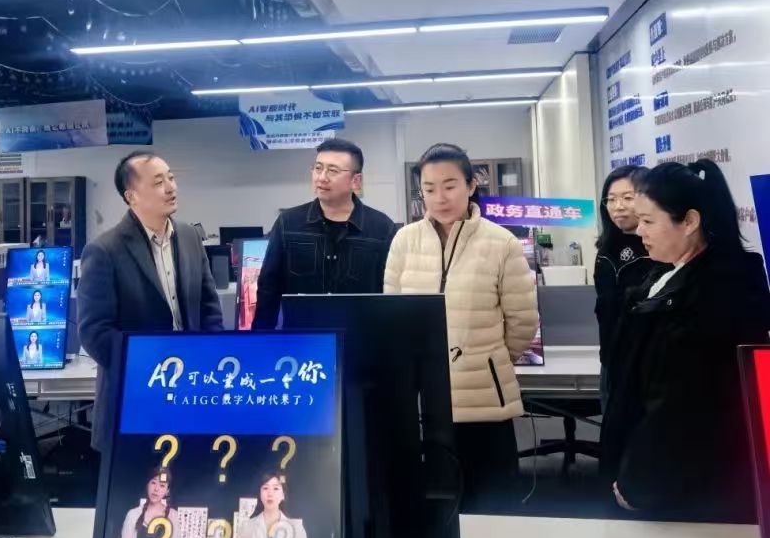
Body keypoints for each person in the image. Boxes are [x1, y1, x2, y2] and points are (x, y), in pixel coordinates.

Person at [601, 159, 770, 522]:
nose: (639, 231)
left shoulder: (723, 290)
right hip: (648, 467)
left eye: (649, 221)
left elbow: (687, 406)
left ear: (690, 221)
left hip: (689, 487)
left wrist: (638, 480)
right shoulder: (663, 274)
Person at [384, 143, 538, 510]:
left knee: (492, 505)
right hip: (423, 400)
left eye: (450, 185)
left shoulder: (501, 242)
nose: (440, 197)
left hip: (485, 401)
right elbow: (391, 315)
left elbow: (522, 321)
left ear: (471, 185)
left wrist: (488, 360)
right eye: (429, 188)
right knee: (433, 505)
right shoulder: (405, 240)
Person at [78, 151, 224, 451]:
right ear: (131, 196)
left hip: (192, 390)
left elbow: (209, 308)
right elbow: (95, 333)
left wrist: (208, 360)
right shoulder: (104, 250)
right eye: (158, 182)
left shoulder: (190, 237)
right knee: (139, 479)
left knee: (194, 473)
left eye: (171, 178)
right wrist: (151, 370)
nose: (171, 187)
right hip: (135, 396)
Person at [254, 138, 397, 330]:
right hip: (303, 339)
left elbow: (390, 294)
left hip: (361, 338)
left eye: (332, 171)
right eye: (318, 168)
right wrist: (260, 339)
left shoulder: (382, 228)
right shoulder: (288, 223)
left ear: (356, 180)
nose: (321, 177)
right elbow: (268, 289)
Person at [593, 165, 658, 408]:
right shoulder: (606, 247)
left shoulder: (658, 247)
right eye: (611, 199)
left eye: (627, 198)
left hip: (646, 361)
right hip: (611, 358)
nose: (618, 206)